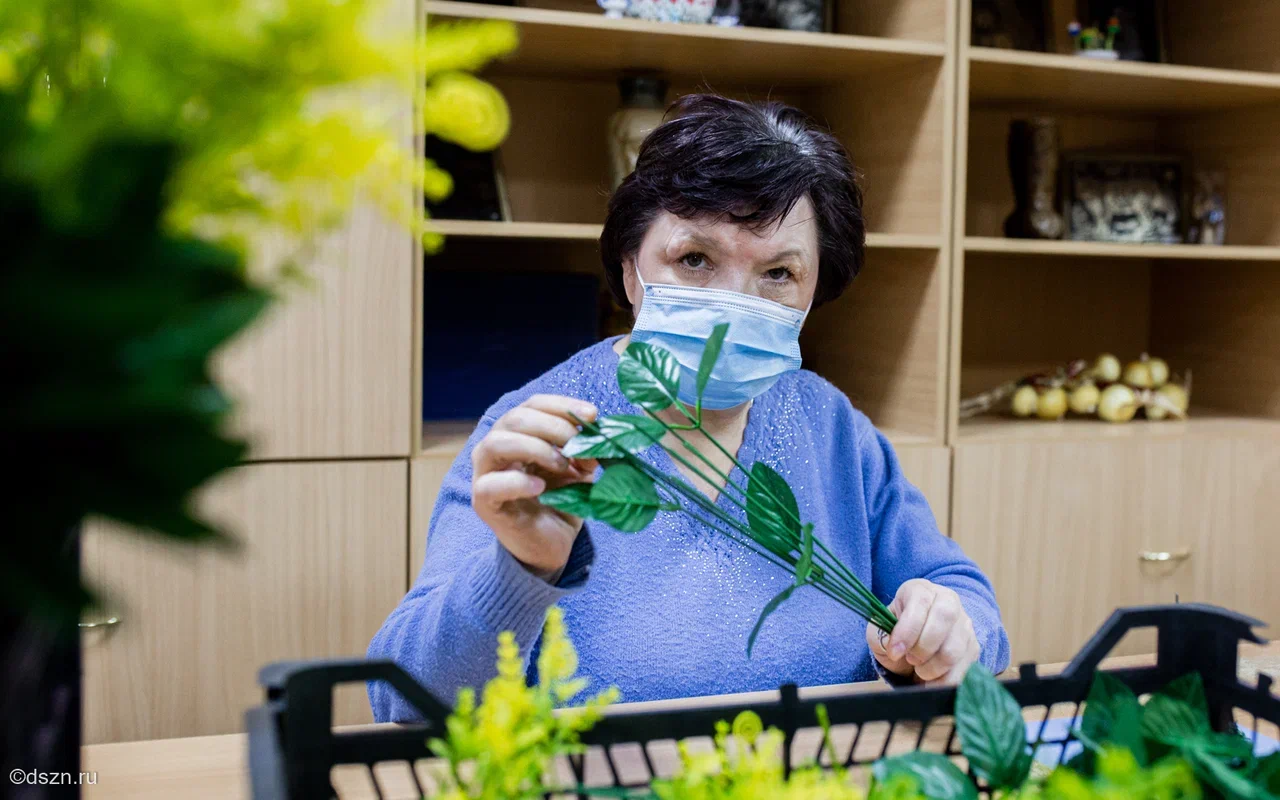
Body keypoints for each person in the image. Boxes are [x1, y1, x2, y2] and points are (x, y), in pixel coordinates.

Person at [369, 94, 1009, 721]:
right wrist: (519, 566)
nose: (734, 300)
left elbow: (963, 597)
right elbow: (400, 697)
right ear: (629, 268)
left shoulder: (829, 425)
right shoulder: (542, 436)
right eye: (695, 259)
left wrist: (951, 627)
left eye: (779, 273)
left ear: (816, 289)